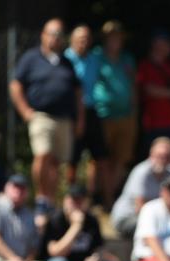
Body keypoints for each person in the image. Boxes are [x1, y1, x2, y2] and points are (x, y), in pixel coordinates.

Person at [10, 19, 83, 207]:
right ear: (43, 35)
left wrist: (79, 119)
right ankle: (41, 197)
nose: (55, 38)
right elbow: (16, 85)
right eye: (52, 33)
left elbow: (77, 92)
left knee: (57, 163)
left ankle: (51, 200)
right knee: (42, 155)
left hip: (64, 118)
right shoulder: (31, 58)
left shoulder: (67, 62)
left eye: (59, 34)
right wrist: (25, 111)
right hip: (41, 116)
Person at [39, 184, 119, 261]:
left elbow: (100, 247)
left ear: (86, 202)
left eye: (80, 201)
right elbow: (55, 252)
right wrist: (76, 226)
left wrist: (97, 258)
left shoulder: (91, 220)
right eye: (73, 200)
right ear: (65, 200)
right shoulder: (56, 219)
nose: (76, 204)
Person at [91, 20, 136, 208]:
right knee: (100, 159)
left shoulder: (127, 59)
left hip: (126, 114)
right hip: (103, 114)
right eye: (111, 37)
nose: (114, 40)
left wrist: (135, 109)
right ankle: (96, 196)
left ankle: (110, 196)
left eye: (117, 36)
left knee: (121, 159)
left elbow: (134, 85)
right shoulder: (97, 57)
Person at [64, 25, 107, 197]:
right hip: (71, 113)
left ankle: (93, 196)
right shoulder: (64, 59)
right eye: (80, 38)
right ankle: (70, 195)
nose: (84, 42)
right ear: (72, 39)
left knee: (99, 156)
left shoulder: (94, 59)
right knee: (72, 159)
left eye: (87, 38)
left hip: (91, 110)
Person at [111, 137, 170, 239]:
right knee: (157, 229)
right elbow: (140, 208)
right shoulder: (142, 172)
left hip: (156, 218)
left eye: (166, 156)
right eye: (159, 156)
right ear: (151, 155)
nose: (162, 160)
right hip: (128, 219)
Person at [137, 31, 170, 149]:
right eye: (166, 43)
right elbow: (150, 90)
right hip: (154, 123)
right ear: (156, 44)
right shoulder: (145, 66)